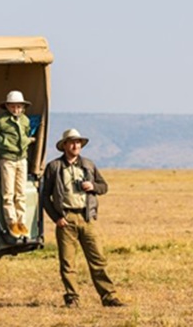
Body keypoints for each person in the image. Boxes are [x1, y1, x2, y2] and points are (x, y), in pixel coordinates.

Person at [41, 128, 125, 308]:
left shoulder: (88, 165)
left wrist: (92, 186)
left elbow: (104, 187)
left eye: (78, 142)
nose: (75, 145)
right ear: (64, 146)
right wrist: (56, 217)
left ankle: (109, 296)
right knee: (68, 263)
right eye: (72, 142)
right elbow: (44, 196)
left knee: (98, 259)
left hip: (87, 218)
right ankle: (72, 298)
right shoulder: (54, 167)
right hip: (66, 219)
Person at [0, 90, 34, 237]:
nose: (16, 109)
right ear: (7, 106)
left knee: (21, 192)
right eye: (13, 106)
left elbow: (27, 134)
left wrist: (27, 142)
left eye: (19, 106)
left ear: (23, 107)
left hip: (22, 159)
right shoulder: (0, 121)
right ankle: (11, 222)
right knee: (8, 193)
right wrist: (4, 144)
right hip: (7, 159)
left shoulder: (25, 120)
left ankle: (22, 222)